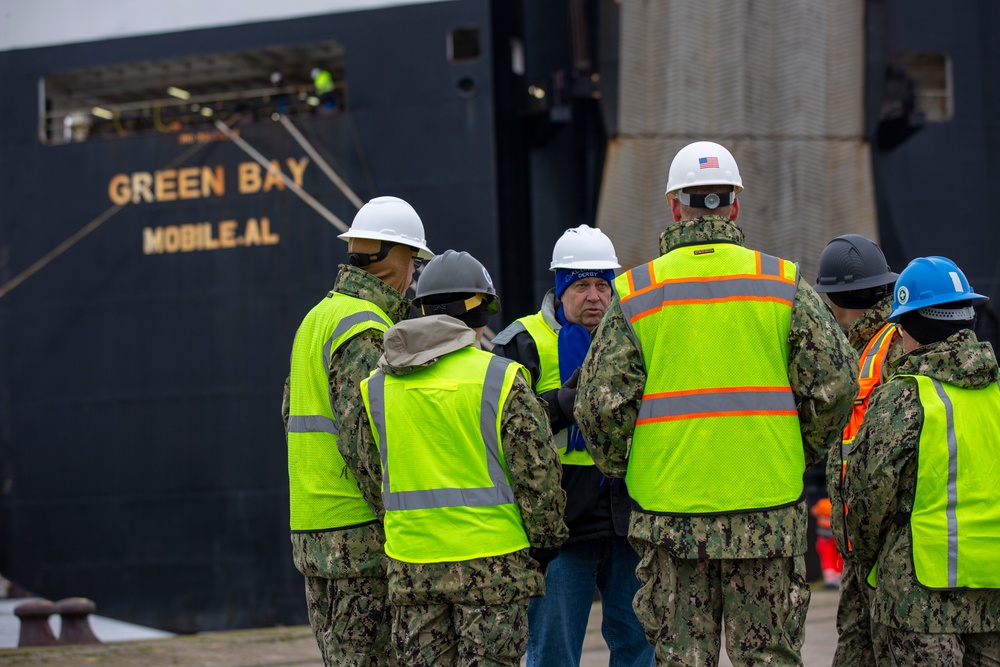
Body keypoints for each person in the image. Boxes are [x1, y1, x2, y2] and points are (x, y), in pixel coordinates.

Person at [575, 140, 858, 666]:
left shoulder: (636, 292)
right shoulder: (781, 282)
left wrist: (627, 464)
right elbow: (838, 383)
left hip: (670, 517)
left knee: (681, 659)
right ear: (734, 205)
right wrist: (798, 449)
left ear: (674, 206)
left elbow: (599, 406)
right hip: (767, 512)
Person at [348, 249, 568, 666]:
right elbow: (537, 475)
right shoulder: (500, 378)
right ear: (479, 311)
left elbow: (368, 472)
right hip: (493, 566)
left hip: (412, 566)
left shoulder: (376, 387)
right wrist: (545, 543)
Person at [491, 225, 653, 666]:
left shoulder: (639, 335)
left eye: (603, 284)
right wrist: (563, 403)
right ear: (559, 289)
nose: (595, 296)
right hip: (560, 527)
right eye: (581, 286)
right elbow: (496, 429)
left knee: (641, 649)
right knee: (553, 652)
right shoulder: (521, 342)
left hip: (629, 518)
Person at [282, 195, 433, 666]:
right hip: (358, 538)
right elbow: (366, 441)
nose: (414, 274)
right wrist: (401, 520)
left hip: (314, 529)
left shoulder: (317, 319)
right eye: (413, 260)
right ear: (391, 258)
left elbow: (290, 410)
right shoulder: (365, 329)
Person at [844, 255, 1000, 665]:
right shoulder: (997, 393)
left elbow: (866, 501)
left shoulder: (902, 398)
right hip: (994, 590)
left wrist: (869, 558)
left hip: (919, 600)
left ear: (912, 326)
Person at [812, 233, 904, 664]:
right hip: (863, 538)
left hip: (885, 541)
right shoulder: (867, 345)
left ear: (839, 299)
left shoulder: (892, 346)